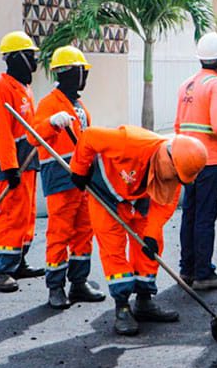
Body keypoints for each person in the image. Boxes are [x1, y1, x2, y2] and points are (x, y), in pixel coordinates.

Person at [69, 127, 207, 336]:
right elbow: (89, 137)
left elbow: (164, 203)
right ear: (168, 159)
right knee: (113, 248)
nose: (175, 182)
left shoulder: (176, 173)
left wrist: (151, 232)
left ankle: (144, 301)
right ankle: (122, 307)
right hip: (106, 192)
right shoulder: (129, 142)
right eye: (175, 177)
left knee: (151, 245)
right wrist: (79, 170)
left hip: (140, 196)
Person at [32, 46, 106, 309]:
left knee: (84, 230)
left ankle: (78, 282)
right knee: (60, 232)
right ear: (70, 73)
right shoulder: (49, 104)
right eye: (82, 71)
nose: (85, 76)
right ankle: (55, 287)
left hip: (81, 176)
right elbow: (33, 135)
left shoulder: (79, 105)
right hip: (60, 176)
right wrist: (51, 122)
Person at [175, 32, 217, 290]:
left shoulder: (186, 85)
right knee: (204, 216)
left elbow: (179, 125)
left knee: (189, 214)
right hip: (208, 161)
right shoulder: (216, 85)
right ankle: (203, 274)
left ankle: (187, 271)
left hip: (185, 159)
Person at [0, 31, 44, 292]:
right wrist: (10, 167)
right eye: (30, 55)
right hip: (12, 165)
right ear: (16, 58)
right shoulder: (2, 89)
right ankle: (3, 270)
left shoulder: (25, 89)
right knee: (11, 215)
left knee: (27, 214)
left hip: (28, 162)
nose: (34, 61)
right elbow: (2, 132)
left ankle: (19, 261)